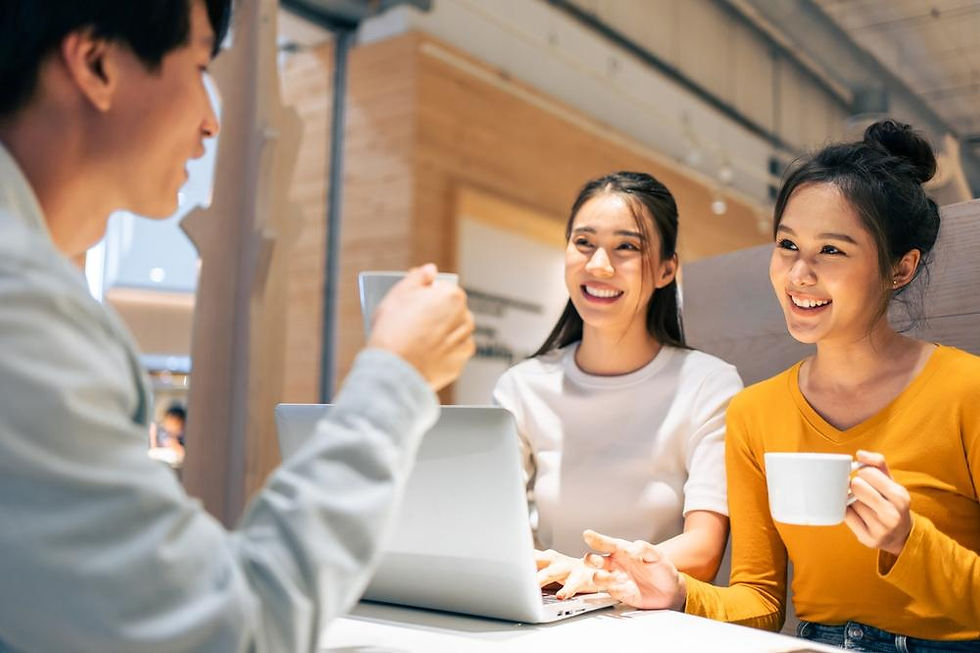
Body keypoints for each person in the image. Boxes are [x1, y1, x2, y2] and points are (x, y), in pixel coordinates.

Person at [0, 1, 475, 651]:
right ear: (96, 62)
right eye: (199, 66)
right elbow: (227, 631)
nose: (209, 120)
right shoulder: (23, 305)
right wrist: (397, 375)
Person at [583, 122, 980, 650]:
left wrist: (908, 541)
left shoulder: (966, 390)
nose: (799, 274)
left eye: (832, 251)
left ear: (900, 268)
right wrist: (679, 594)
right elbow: (762, 602)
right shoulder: (755, 411)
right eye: (788, 244)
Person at [492, 171, 743, 598]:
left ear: (667, 270)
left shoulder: (708, 385)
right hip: (548, 615)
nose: (598, 265)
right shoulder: (522, 387)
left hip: (654, 624)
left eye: (626, 247)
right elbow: (493, 526)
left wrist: (597, 575)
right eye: (584, 243)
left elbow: (704, 550)